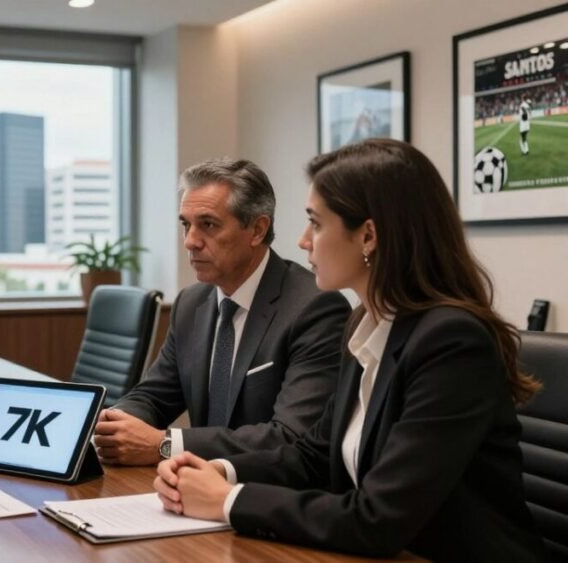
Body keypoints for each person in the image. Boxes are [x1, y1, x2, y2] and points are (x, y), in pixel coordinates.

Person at [154, 139, 546, 561]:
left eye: (316, 223)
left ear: (369, 236)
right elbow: (312, 456)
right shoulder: (366, 323)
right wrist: (219, 471)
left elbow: (378, 518)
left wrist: (228, 501)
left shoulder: (451, 344)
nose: (303, 241)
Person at [93, 157, 350, 465]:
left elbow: (291, 436)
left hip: (267, 496)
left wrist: (164, 444)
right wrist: (115, 423)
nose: (190, 241)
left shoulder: (314, 307)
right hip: (191, 490)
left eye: (208, 225)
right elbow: (153, 396)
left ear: (257, 229)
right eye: (186, 225)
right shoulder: (191, 303)